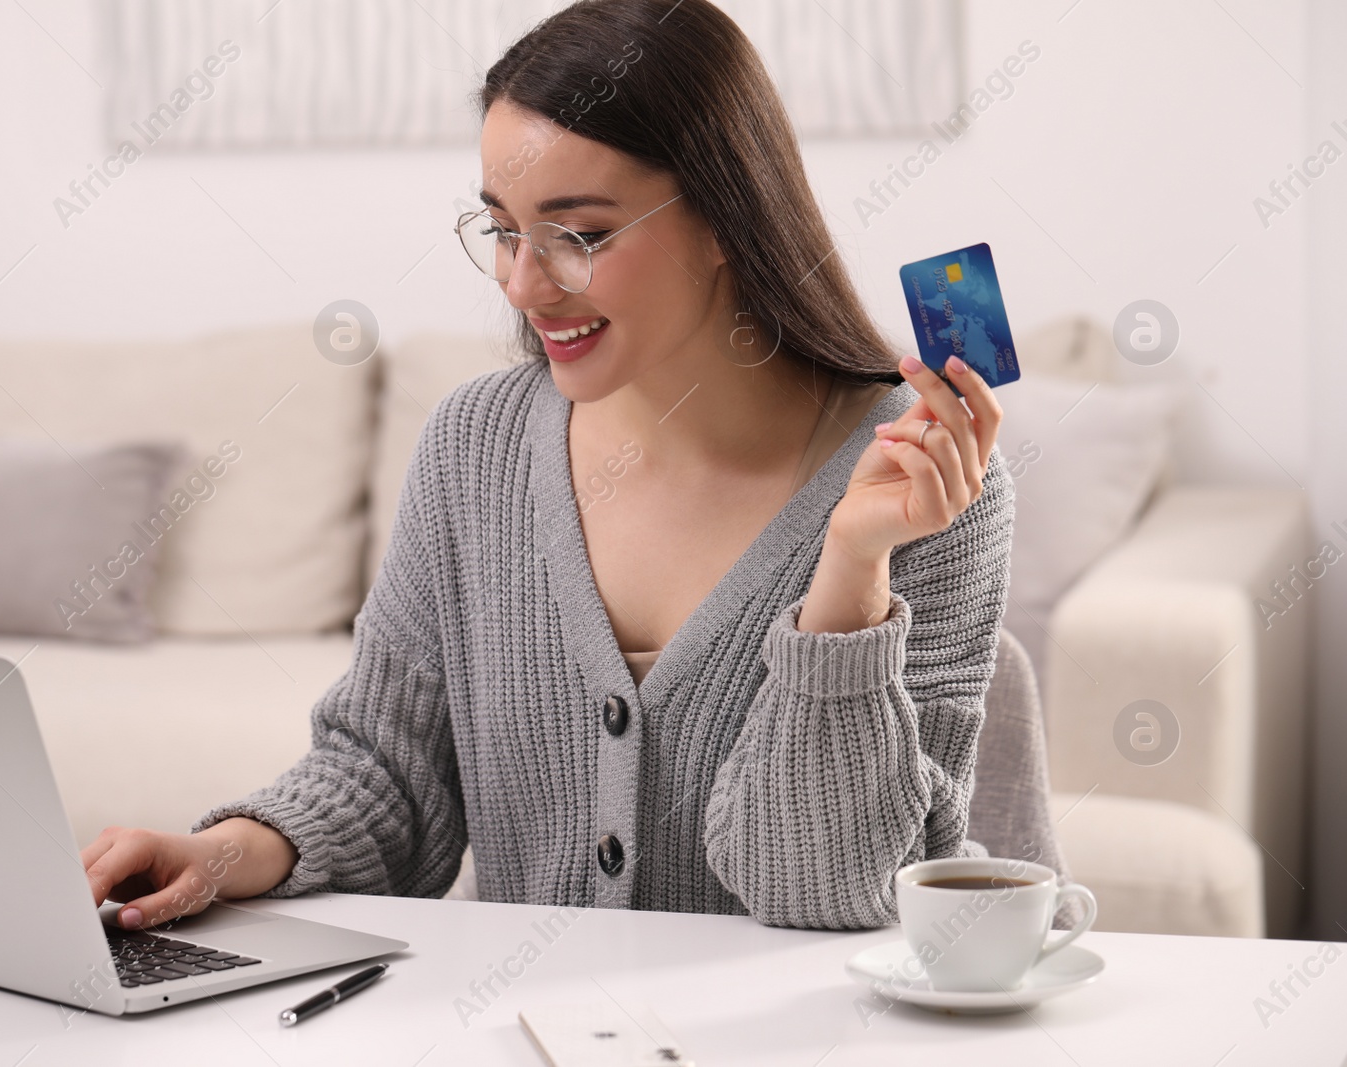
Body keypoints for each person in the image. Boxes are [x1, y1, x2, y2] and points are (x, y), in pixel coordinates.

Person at [82, 0, 1012, 931]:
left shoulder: (919, 482)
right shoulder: (474, 448)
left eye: (581, 234)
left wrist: (849, 578)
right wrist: (222, 854)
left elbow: (824, 889)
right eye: (502, 229)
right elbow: (386, 771)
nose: (524, 284)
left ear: (728, 215)